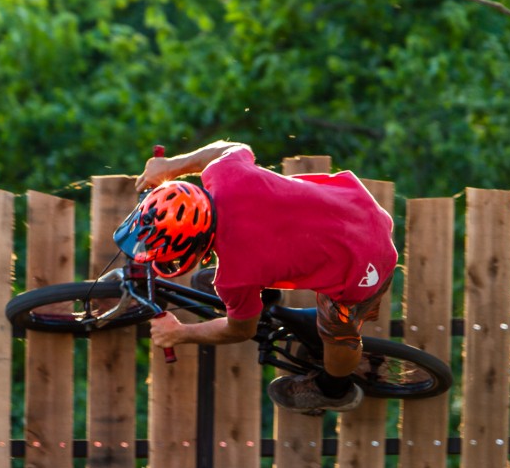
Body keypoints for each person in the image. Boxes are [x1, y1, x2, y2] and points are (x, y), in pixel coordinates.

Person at [123, 140, 397, 415]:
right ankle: (263, 297)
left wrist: (180, 333)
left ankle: (335, 391)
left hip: (368, 261)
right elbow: (227, 149)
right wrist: (170, 165)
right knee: (254, 267)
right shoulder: (225, 174)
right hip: (358, 207)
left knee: (337, 333)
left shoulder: (234, 277)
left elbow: (240, 330)